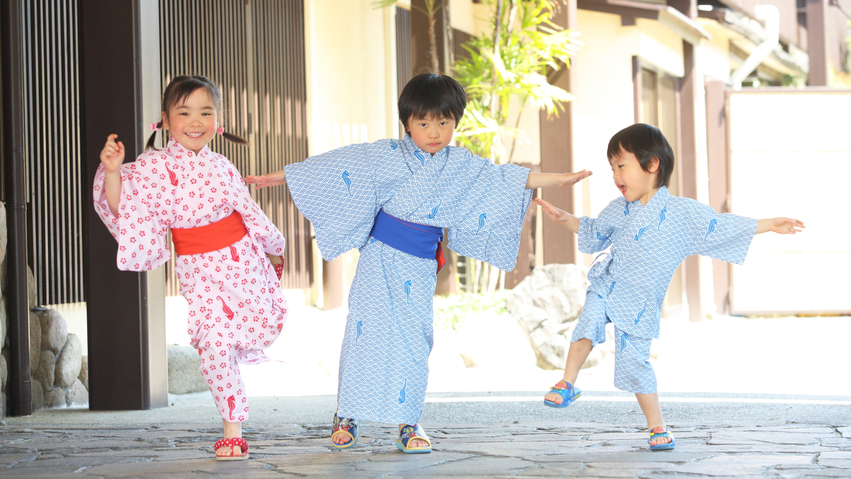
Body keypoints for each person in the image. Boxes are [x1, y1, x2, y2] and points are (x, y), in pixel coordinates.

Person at [245, 73, 591, 453]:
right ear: (407, 122)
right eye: (423, 122)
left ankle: (408, 422)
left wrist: (561, 178)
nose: (434, 131)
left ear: (455, 122)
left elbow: (504, 179)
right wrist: (280, 177)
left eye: (444, 122)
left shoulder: (460, 164)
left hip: (420, 265)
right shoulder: (384, 155)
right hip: (380, 257)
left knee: (414, 341)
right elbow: (331, 167)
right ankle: (347, 414)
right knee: (365, 334)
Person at [536, 123, 804, 451]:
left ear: (652, 164)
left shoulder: (680, 214)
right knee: (587, 323)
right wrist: (565, 217)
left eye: (621, 166)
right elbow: (595, 231)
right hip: (608, 282)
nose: (615, 175)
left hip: (641, 302)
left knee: (636, 363)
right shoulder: (618, 209)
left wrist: (767, 225)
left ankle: (656, 425)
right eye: (611, 168)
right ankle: (569, 382)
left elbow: (718, 226)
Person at [93, 75, 288, 461]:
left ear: (218, 119)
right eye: (184, 112)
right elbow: (122, 209)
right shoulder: (153, 167)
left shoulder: (223, 164)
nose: (196, 121)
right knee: (214, 343)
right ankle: (232, 426)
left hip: (242, 261)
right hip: (200, 270)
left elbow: (248, 213)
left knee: (260, 323)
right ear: (165, 120)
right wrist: (113, 172)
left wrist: (271, 249)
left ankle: (238, 388)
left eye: (205, 112)